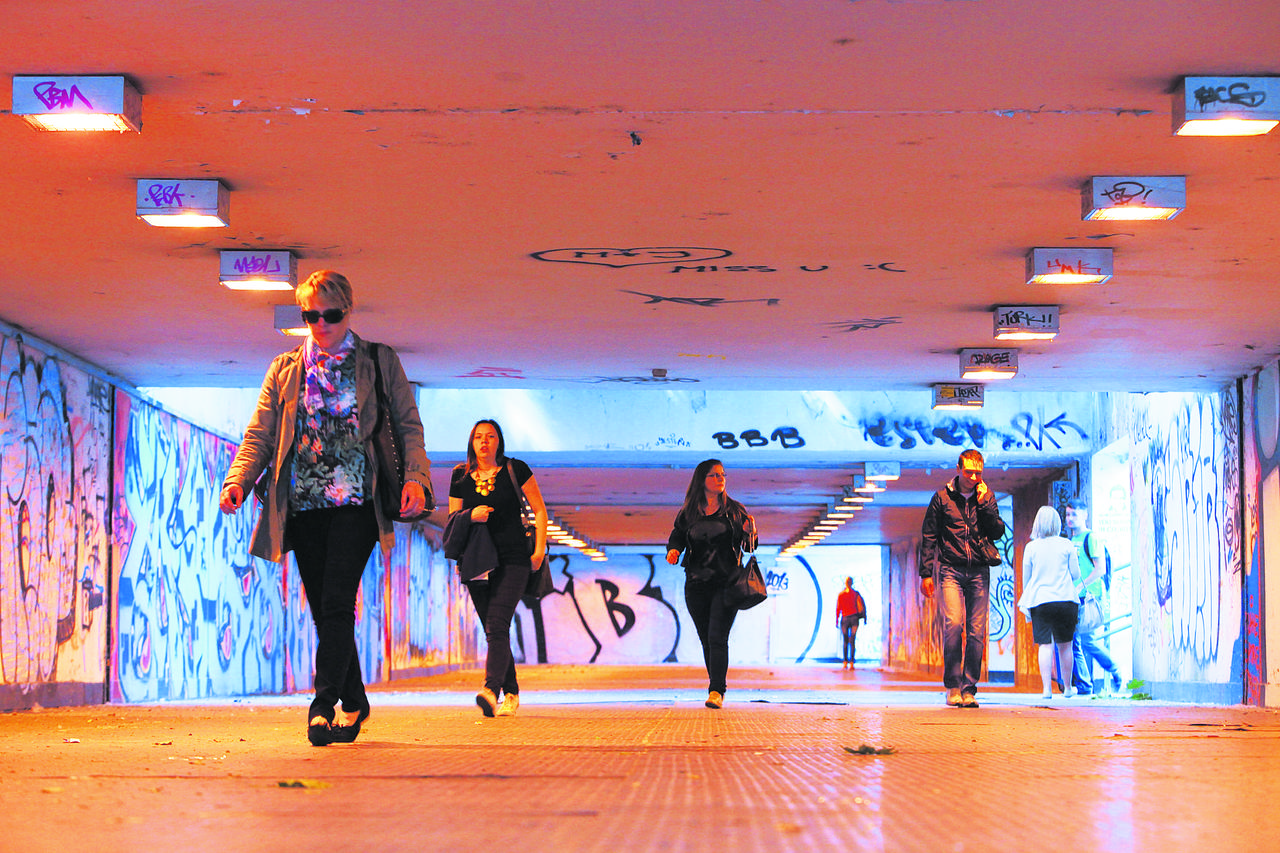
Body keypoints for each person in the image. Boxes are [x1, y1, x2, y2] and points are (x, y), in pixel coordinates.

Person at [220, 270, 432, 746]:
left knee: (337, 600)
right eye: (310, 316)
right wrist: (238, 481)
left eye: (330, 315)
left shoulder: (378, 360)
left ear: (348, 311)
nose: (320, 324)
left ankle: (322, 705)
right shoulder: (284, 369)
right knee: (324, 610)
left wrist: (416, 477)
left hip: (357, 502)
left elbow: (408, 424)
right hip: (302, 505)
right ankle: (355, 700)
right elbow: (261, 433)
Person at [448, 419, 548, 717]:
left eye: (490, 436)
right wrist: (471, 516)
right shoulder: (459, 476)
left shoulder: (516, 469)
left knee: (497, 623)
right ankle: (512, 692)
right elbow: (453, 519)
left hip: (513, 558)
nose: (484, 441)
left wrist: (539, 550)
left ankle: (490, 690)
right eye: (478, 436)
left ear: (499, 441)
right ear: (471, 442)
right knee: (494, 629)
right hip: (476, 561)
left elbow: (539, 510)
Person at [665, 459, 757, 710]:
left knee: (717, 636)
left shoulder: (735, 511)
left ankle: (716, 690)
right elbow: (677, 536)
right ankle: (716, 684)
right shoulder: (689, 513)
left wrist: (750, 532)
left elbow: (749, 547)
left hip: (727, 584)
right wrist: (674, 550)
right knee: (706, 638)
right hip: (696, 584)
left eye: (722, 474)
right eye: (714, 475)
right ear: (701, 480)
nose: (720, 479)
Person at [919, 448, 1006, 708]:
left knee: (977, 630)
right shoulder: (942, 498)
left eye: (978, 473)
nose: (974, 477)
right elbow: (929, 536)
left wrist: (985, 504)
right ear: (958, 469)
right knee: (954, 624)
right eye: (969, 472)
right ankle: (953, 686)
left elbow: (997, 532)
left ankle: (969, 689)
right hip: (951, 570)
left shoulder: (987, 496)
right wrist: (926, 573)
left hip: (979, 569)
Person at [1017, 506, 1082, 699]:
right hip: (1066, 600)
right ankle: (1068, 688)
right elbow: (1076, 574)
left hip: (1041, 601)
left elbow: (1026, 579)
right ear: (1057, 523)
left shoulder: (1031, 547)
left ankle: (1047, 689)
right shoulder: (1067, 544)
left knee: (1045, 645)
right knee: (1065, 645)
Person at [1065, 498, 1124, 695]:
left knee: (1087, 640)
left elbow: (1100, 569)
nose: (1070, 518)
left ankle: (1113, 668)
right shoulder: (1071, 540)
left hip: (1089, 596)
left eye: (1074, 514)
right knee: (1073, 641)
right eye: (1068, 514)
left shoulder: (1091, 538)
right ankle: (1084, 686)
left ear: (1085, 515)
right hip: (1074, 596)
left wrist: (1080, 586)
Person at [834, 577, 867, 670]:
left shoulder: (841, 595)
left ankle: (845, 662)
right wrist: (865, 618)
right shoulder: (856, 594)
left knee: (845, 641)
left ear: (845, 583)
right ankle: (851, 662)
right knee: (852, 640)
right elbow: (862, 606)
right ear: (852, 583)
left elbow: (838, 608)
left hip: (845, 619)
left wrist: (837, 620)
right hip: (854, 618)